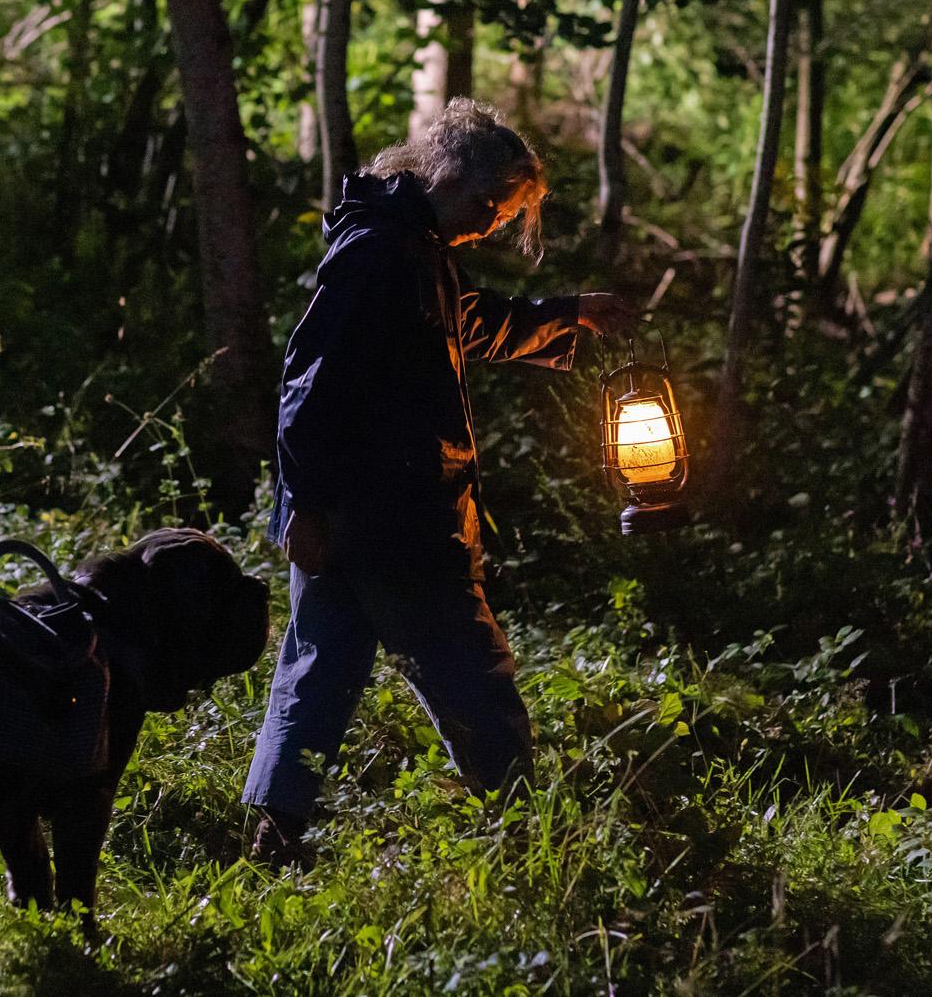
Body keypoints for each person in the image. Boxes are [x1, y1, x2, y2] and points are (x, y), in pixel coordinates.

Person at [242, 98, 637, 866]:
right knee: (469, 670)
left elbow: (469, 321)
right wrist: (309, 507)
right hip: (396, 524)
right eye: (490, 205)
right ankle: (526, 839)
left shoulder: (409, 246)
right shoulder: (380, 251)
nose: (491, 224)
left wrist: (568, 315)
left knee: (316, 672)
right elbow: (308, 385)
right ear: (450, 174)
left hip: (360, 518)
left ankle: (275, 834)